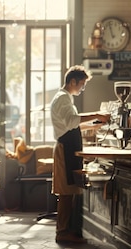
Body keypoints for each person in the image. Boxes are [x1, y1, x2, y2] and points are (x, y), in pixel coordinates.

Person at [50, 65, 109, 244]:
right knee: (66, 193)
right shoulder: (62, 99)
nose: (82, 88)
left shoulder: (65, 98)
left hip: (68, 149)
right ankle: (62, 232)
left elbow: (71, 125)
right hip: (64, 150)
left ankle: (66, 230)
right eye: (82, 84)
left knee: (69, 191)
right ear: (73, 81)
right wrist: (97, 114)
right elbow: (71, 121)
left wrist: (93, 125)